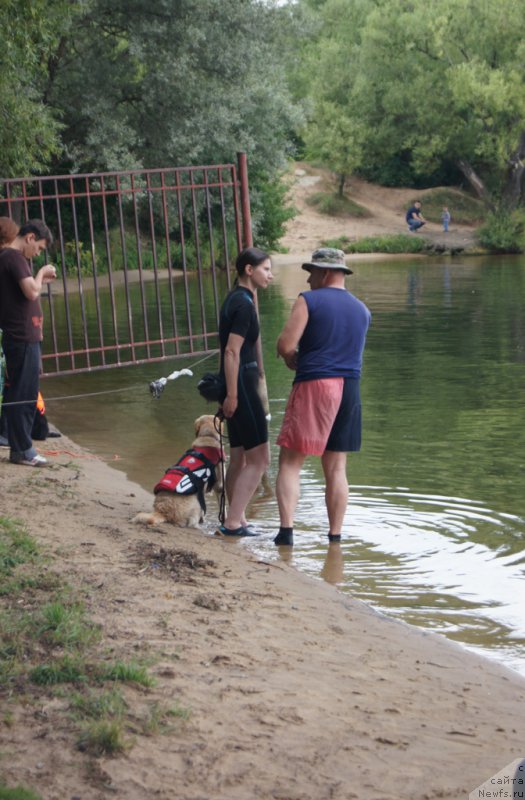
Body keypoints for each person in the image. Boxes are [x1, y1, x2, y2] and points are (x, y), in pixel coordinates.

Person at [274, 247, 371, 547]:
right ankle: (335, 538)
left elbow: (286, 344)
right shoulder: (362, 310)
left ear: (326, 272)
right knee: (337, 467)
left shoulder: (309, 300)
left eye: (312, 272)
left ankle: (287, 533)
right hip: (349, 389)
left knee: (290, 462)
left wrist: (290, 357)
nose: (308, 280)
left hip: (315, 384)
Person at [215, 246, 273, 537]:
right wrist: (233, 395)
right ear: (249, 270)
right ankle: (233, 523)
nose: (270, 275)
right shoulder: (244, 304)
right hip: (241, 385)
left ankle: (233, 517)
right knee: (261, 458)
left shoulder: (234, 298)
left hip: (236, 382)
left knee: (238, 457)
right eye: (266, 269)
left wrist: (230, 390)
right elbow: (231, 351)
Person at [0, 219, 56, 466]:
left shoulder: (10, 258)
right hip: (21, 337)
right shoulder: (14, 258)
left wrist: (39, 280)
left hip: (23, 337)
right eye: (40, 248)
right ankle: (22, 449)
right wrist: (41, 273)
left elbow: (29, 292)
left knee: (23, 392)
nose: (38, 253)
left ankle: (19, 447)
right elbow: (31, 292)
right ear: (30, 237)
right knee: (23, 394)